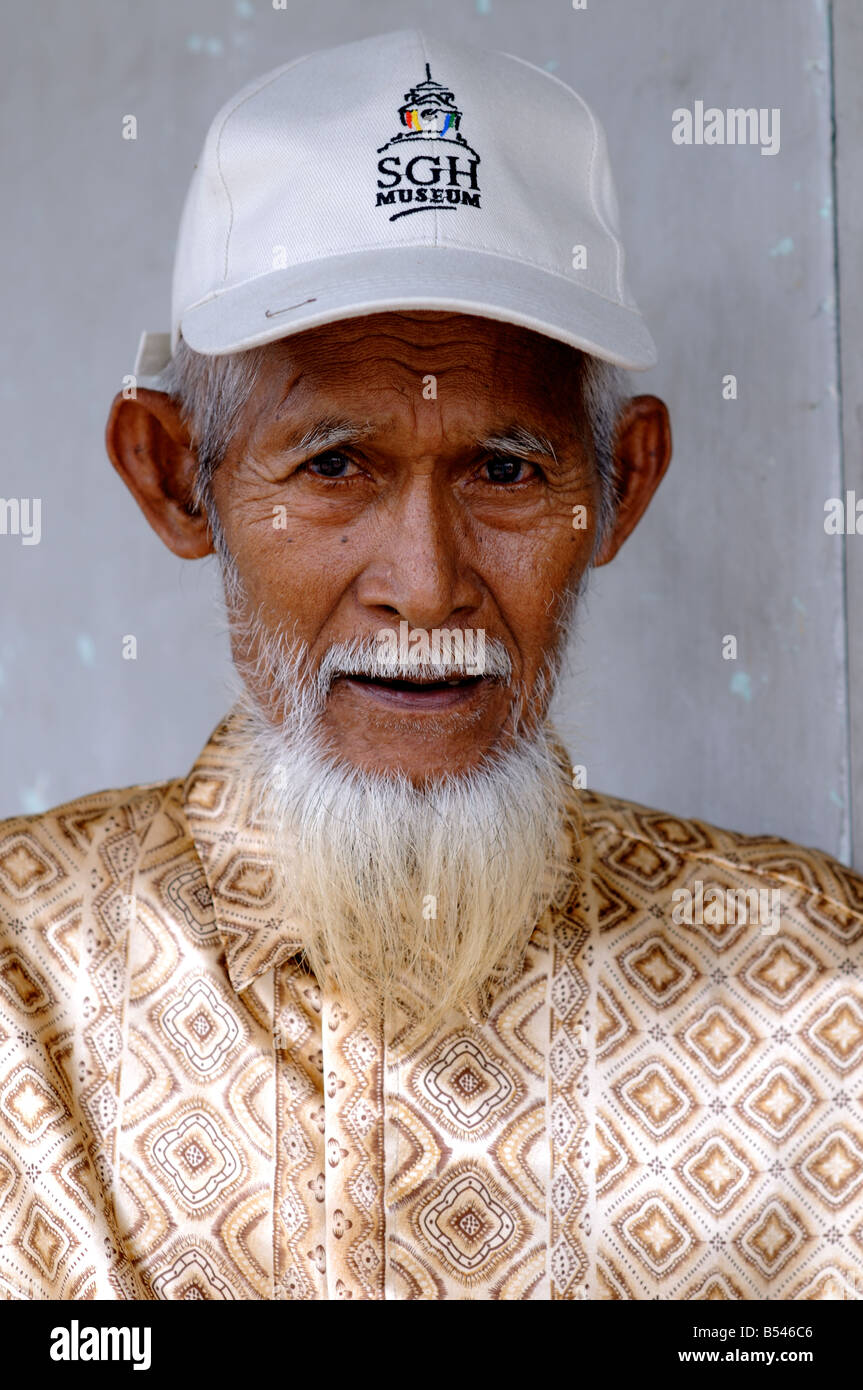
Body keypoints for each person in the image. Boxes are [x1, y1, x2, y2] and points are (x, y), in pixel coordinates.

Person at [1, 29, 860, 1302]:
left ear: (619, 488)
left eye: (506, 471)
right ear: (178, 478)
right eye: (334, 464)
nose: (426, 581)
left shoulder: (819, 995)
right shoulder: (26, 981)